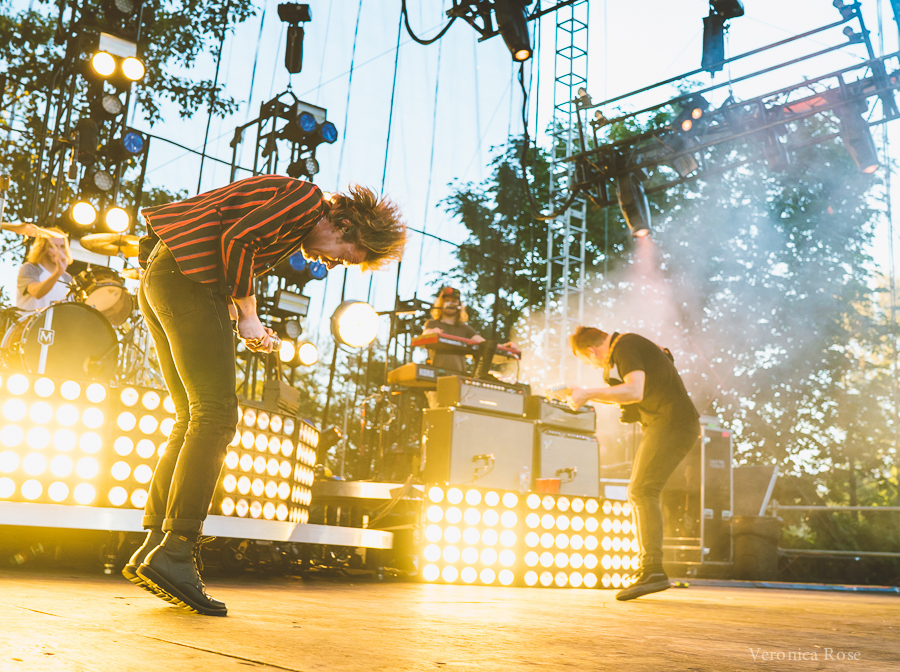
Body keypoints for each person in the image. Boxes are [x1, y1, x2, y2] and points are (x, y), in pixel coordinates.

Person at [123, 175, 405, 616]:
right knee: (217, 415)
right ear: (346, 224)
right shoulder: (308, 199)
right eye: (346, 258)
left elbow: (222, 232)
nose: (332, 265)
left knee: (192, 417)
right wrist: (248, 314)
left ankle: (156, 544)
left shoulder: (293, 216)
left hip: (166, 276)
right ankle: (176, 550)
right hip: (183, 280)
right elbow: (238, 239)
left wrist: (238, 310)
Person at [553, 326, 700, 601]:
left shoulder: (624, 346)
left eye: (588, 362)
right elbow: (634, 391)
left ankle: (652, 569)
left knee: (641, 491)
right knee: (643, 491)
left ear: (592, 351)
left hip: (671, 423)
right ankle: (650, 568)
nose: (593, 366)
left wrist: (587, 392)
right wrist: (584, 393)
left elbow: (633, 391)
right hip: (671, 423)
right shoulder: (629, 345)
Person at [421, 286, 485, 373]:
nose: (450, 303)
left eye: (454, 301)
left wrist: (503, 346)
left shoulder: (465, 329)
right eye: (447, 300)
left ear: (459, 305)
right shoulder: (432, 324)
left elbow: (484, 343)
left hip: (460, 377)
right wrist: (432, 332)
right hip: (436, 375)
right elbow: (425, 335)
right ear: (441, 303)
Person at [15, 228, 73, 312]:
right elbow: (37, 293)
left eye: (62, 246)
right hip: (27, 323)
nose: (59, 251)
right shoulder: (30, 268)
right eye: (53, 246)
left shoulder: (67, 278)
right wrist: (57, 273)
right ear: (42, 248)